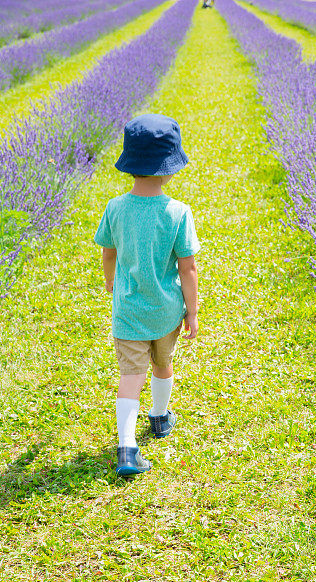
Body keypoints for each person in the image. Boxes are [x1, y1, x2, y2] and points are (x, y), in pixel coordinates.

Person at [94, 113, 200, 477]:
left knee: (129, 376)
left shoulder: (115, 208)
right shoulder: (178, 212)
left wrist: (111, 282)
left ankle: (126, 448)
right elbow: (188, 269)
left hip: (128, 312)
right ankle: (159, 418)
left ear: (130, 165)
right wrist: (192, 312)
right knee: (162, 363)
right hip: (166, 311)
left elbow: (109, 253)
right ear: (170, 168)